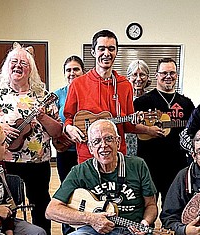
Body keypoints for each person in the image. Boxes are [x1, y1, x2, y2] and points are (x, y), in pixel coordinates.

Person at [0, 43, 62, 235]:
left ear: (31, 69)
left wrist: (43, 117)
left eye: (24, 63)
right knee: (7, 205)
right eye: (13, 63)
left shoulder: (43, 95)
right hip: (5, 160)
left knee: (40, 204)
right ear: (7, 67)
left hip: (38, 161)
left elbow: (57, 132)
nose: (18, 66)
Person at [62, 29, 155, 163]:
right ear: (93, 52)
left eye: (111, 49)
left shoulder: (125, 85)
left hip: (116, 155)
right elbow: (68, 118)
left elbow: (128, 126)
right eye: (102, 49)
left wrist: (139, 122)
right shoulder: (77, 84)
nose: (107, 53)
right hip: (87, 155)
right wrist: (68, 128)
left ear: (116, 52)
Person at [134, 57, 195, 204]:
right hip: (149, 163)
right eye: (164, 73)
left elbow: (194, 129)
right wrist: (147, 129)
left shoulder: (186, 103)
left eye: (172, 73)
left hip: (177, 163)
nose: (168, 76)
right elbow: (130, 126)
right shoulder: (142, 102)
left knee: (173, 206)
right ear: (156, 75)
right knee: (147, 205)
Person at [53, 55, 85, 235]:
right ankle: (68, 232)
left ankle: (83, 230)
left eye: (76, 69)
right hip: (66, 152)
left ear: (83, 71)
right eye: (68, 70)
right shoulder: (58, 95)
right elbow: (53, 122)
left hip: (86, 152)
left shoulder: (89, 91)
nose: (72, 73)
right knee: (67, 190)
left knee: (86, 191)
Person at [125, 59, 151, 156]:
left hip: (147, 145)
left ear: (147, 77)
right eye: (135, 74)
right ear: (128, 77)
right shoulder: (122, 98)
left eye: (142, 75)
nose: (139, 79)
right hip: (127, 144)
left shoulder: (152, 98)